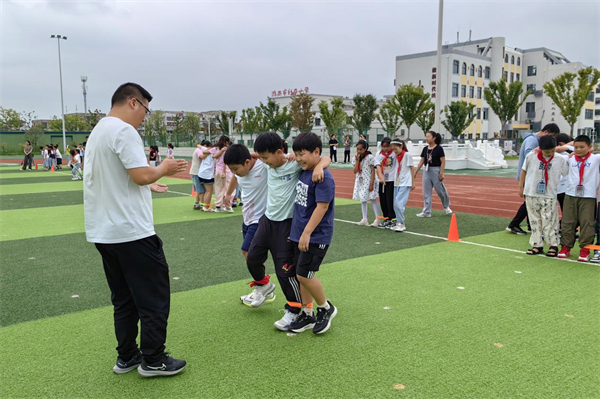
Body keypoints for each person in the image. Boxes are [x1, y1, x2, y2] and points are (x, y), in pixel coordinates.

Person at [83, 83, 188, 377]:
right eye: (145, 109)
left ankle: (127, 355)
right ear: (133, 102)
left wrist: (149, 180)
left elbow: (119, 176)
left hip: (104, 232)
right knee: (153, 298)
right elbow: (140, 174)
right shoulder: (124, 131)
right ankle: (153, 359)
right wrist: (162, 169)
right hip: (132, 233)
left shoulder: (99, 131)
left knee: (124, 299)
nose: (144, 116)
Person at [243, 132, 330, 331]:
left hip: (286, 225)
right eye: (262, 158)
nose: (264, 162)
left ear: (280, 152)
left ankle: (294, 309)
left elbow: (325, 158)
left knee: (285, 271)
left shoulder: (295, 163)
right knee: (253, 258)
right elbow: (257, 156)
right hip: (267, 221)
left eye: (266, 158)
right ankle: (264, 285)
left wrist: (319, 166)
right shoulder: (268, 163)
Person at [287, 132, 337, 334]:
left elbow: (322, 207)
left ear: (316, 152)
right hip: (299, 233)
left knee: (304, 275)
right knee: (301, 276)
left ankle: (325, 307)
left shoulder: (323, 176)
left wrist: (307, 233)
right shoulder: (306, 170)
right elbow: (324, 159)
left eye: (302, 153)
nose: (298, 158)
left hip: (316, 235)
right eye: (296, 153)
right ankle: (307, 315)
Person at [223, 144, 274, 306]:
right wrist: (229, 193)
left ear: (247, 162)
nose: (234, 172)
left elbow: (279, 157)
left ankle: (264, 285)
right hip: (247, 218)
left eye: (235, 168)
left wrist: (254, 155)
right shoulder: (238, 171)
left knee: (247, 251)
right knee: (249, 255)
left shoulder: (263, 167)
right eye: (231, 169)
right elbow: (235, 178)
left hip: (261, 219)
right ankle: (264, 289)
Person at [519, 135, 568, 257]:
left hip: (549, 194)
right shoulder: (531, 156)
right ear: (540, 148)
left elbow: (567, 172)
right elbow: (523, 170)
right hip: (531, 193)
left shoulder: (560, 159)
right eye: (546, 152)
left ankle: (553, 245)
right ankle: (537, 245)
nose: (549, 154)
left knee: (550, 220)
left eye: (552, 151)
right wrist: (521, 187)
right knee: (534, 220)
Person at [507, 123, 560, 235]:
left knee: (531, 203)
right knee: (529, 203)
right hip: (529, 177)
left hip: (533, 177)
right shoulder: (532, 141)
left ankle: (530, 226)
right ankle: (514, 224)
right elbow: (530, 157)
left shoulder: (533, 139)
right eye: (552, 135)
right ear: (546, 132)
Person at [558, 135, 600, 262]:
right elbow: (555, 153)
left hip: (588, 196)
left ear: (590, 147)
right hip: (570, 194)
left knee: (587, 223)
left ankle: (585, 249)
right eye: (576, 147)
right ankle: (565, 247)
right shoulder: (569, 159)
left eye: (582, 147)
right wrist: (569, 150)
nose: (579, 150)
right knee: (567, 222)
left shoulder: (596, 159)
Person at [413, 131, 452, 217]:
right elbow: (422, 161)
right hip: (426, 171)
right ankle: (426, 212)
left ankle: (446, 206)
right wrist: (416, 171)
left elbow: (443, 161)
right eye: (426, 137)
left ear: (434, 138)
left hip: (436, 170)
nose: (426, 139)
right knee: (426, 192)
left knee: (440, 191)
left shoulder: (439, 149)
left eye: (428, 137)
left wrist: (441, 173)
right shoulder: (425, 149)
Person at [352, 140, 380, 226]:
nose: (359, 151)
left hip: (369, 180)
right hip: (360, 181)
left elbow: (373, 171)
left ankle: (378, 219)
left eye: (361, 149)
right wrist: (357, 161)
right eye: (357, 149)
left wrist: (371, 183)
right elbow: (355, 171)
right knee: (363, 199)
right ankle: (364, 219)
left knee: (373, 199)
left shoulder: (370, 157)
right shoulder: (355, 158)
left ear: (365, 149)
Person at [389, 138, 415, 232]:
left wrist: (413, 182)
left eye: (396, 149)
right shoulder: (396, 156)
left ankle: (402, 223)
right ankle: (399, 222)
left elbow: (412, 168)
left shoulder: (407, 155)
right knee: (396, 204)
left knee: (398, 203)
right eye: (393, 149)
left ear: (401, 146)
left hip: (405, 182)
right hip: (397, 182)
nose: (394, 151)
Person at [375, 137, 396, 228]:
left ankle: (393, 219)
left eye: (387, 146)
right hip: (382, 180)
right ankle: (386, 219)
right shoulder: (379, 154)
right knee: (383, 200)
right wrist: (380, 177)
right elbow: (378, 166)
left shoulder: (395, 154)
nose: (386, 149)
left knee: (390, 200)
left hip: (392, 180)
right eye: (384, 147)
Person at [209, 135, 233, 213]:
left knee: (218, 188)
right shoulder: (227, 149)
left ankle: (218, 206)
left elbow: (214, 156)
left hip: (218, 171)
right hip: (226, 171)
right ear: (226, 142)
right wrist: (224, 171)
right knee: (229, 189)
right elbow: (225, 161)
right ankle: (227, 206)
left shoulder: (215, 148)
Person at [198, 141, 216, 212]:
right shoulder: (212, 151)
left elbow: (199, 146)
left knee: (207, 191)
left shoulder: (205, 150)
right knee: (209, 191)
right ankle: (206, 207)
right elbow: (198, 145)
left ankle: (205, 205)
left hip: (202, 173)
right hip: (207, 174)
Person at [190, 141, 207, 210]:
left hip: (195, 172)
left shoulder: (198, 149)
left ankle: (197, 203)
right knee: (201, 190)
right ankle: (202, 205)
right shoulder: (199, 150)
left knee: (198, 189)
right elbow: (202, 157)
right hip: (196, 172)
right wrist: (209, 153)